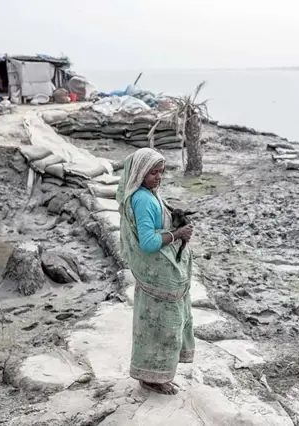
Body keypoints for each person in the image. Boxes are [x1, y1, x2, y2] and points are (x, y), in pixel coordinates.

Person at [116, 147, 195, 395]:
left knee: (157, 325)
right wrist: (177, 234)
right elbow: (148, 243)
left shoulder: (148, 195)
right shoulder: (142, 200)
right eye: (153, 172)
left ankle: (154, 373)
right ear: (140, 173)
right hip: (158, 276)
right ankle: (152, 377)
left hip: (158, 275)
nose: (158, 177)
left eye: (161, 172)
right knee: (164, 328)